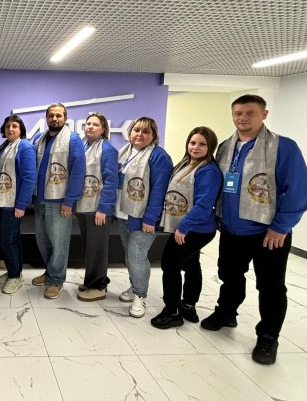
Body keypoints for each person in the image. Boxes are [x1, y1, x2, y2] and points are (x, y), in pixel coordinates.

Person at [201, 94, 307, 365]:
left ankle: (268, 337)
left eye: (250, 112)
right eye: (238, 113)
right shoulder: (225, 147)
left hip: (268, 234)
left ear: (264, 114)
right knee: (229, 276)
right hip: (231, 229)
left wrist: (281, 227)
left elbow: (298, 190)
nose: (243, 118)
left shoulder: (283, 147)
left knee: (271, 287)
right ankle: (227, 313)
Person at [151, 126, 222, 329]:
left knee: (170, 264)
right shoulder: (186, 163)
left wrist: (183, 228)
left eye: (202, 144)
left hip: (195, 229)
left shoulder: (208, 171)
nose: (195, 147)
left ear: (210, 147)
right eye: (192, 143)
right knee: (191, 264)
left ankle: (172, 312)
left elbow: (203, 205)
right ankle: (188, 306)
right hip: (188, 227)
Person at [116, 116, 172, 318]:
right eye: (136, 130)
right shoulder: (125, 152)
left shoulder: (159, 157)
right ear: (130, 132)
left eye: (146, 131)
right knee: (129, 255)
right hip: (123, 213)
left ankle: (140, 295)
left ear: (154, 136)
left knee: (137, 256)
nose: (140, 134)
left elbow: (159, 190)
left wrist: (150, 219)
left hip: (143, 218)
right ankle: (135, 286)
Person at [32, 103, 86, 299]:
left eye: (58, 116)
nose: (54, 119)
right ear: (46, 118)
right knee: (43, 240)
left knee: (59, 243)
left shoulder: (73, 140)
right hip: (39, 198)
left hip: (59, 201)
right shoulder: (39, 138)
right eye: (51, 116)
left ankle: (56, 280)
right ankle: (49, 272)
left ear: (65, 118)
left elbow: (78, 171)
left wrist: (69, 201)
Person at [75, 113, 118, 302]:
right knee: (89, 248)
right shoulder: (83, 146)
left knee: (98, 249)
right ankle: (90, 281)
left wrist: (103, 209)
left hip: (97, 209)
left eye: (95, 124)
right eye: (88, 124)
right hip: (83, 206)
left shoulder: (107, 150)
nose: (90, 127)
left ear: (103, 129)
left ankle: (99, 285)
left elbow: (111, 181)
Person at [0, 114, 36, 294]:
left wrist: (21, 204)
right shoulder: (5, 146)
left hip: (13, 204)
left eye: (15, 126)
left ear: (21, 129)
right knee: (13, 238)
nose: (10, 129)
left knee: (6, 240)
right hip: (3, 201)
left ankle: (14, 276)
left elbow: (29, 178)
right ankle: (15, 272)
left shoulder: (24, 147)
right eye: (8, 126)